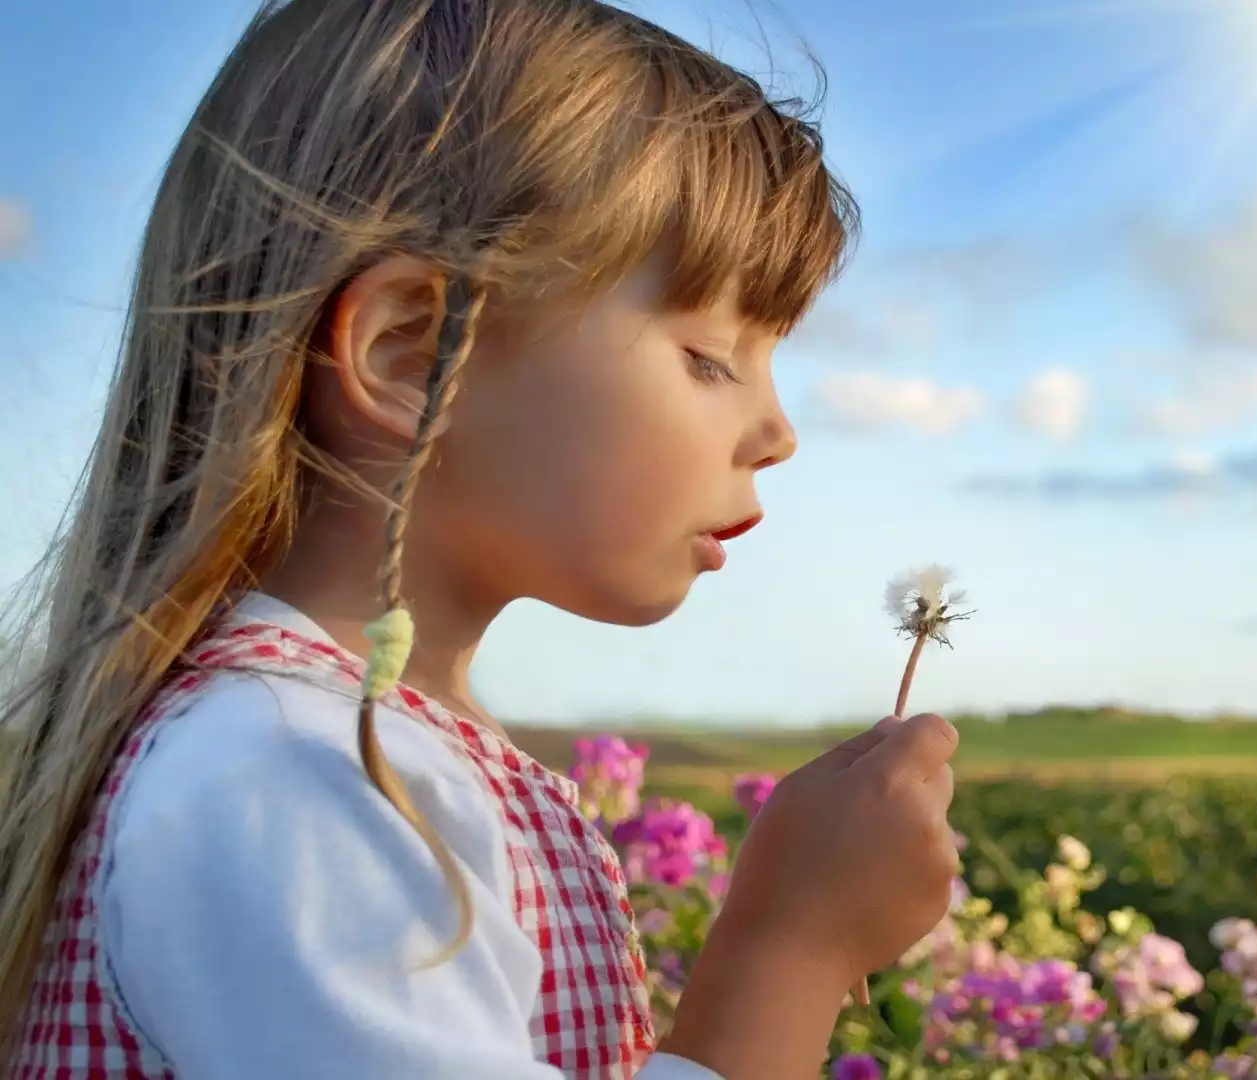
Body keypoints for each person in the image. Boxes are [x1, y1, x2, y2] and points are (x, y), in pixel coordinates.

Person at [0, 1, 962, 1078]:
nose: (778, 434)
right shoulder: (290, 775)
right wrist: (795, 944)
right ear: (415, 352)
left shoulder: (364, 755)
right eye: (708, 355)